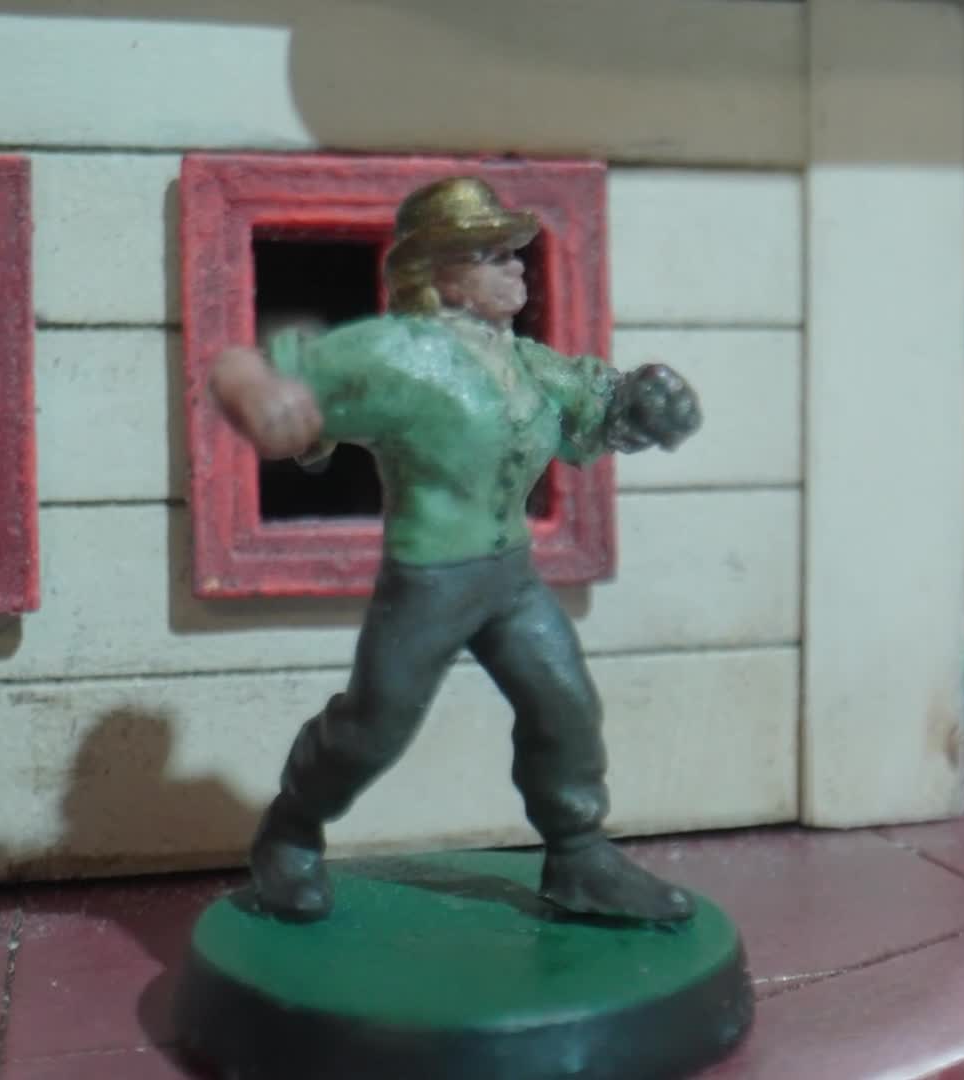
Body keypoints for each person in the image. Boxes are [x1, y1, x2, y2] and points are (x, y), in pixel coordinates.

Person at [209, 176, 703, 923]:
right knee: (376, 726)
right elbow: (248, 368)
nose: (515, 266)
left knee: (563, 703)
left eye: (513, 251)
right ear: (438, 274)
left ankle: (579, 856)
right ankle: (291, 830)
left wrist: (642, 403)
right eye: (489, 254)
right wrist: (257, 392)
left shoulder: (527, 363)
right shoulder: (397, 355)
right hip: (431, 582)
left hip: (509, 577)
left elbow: (592, 404)